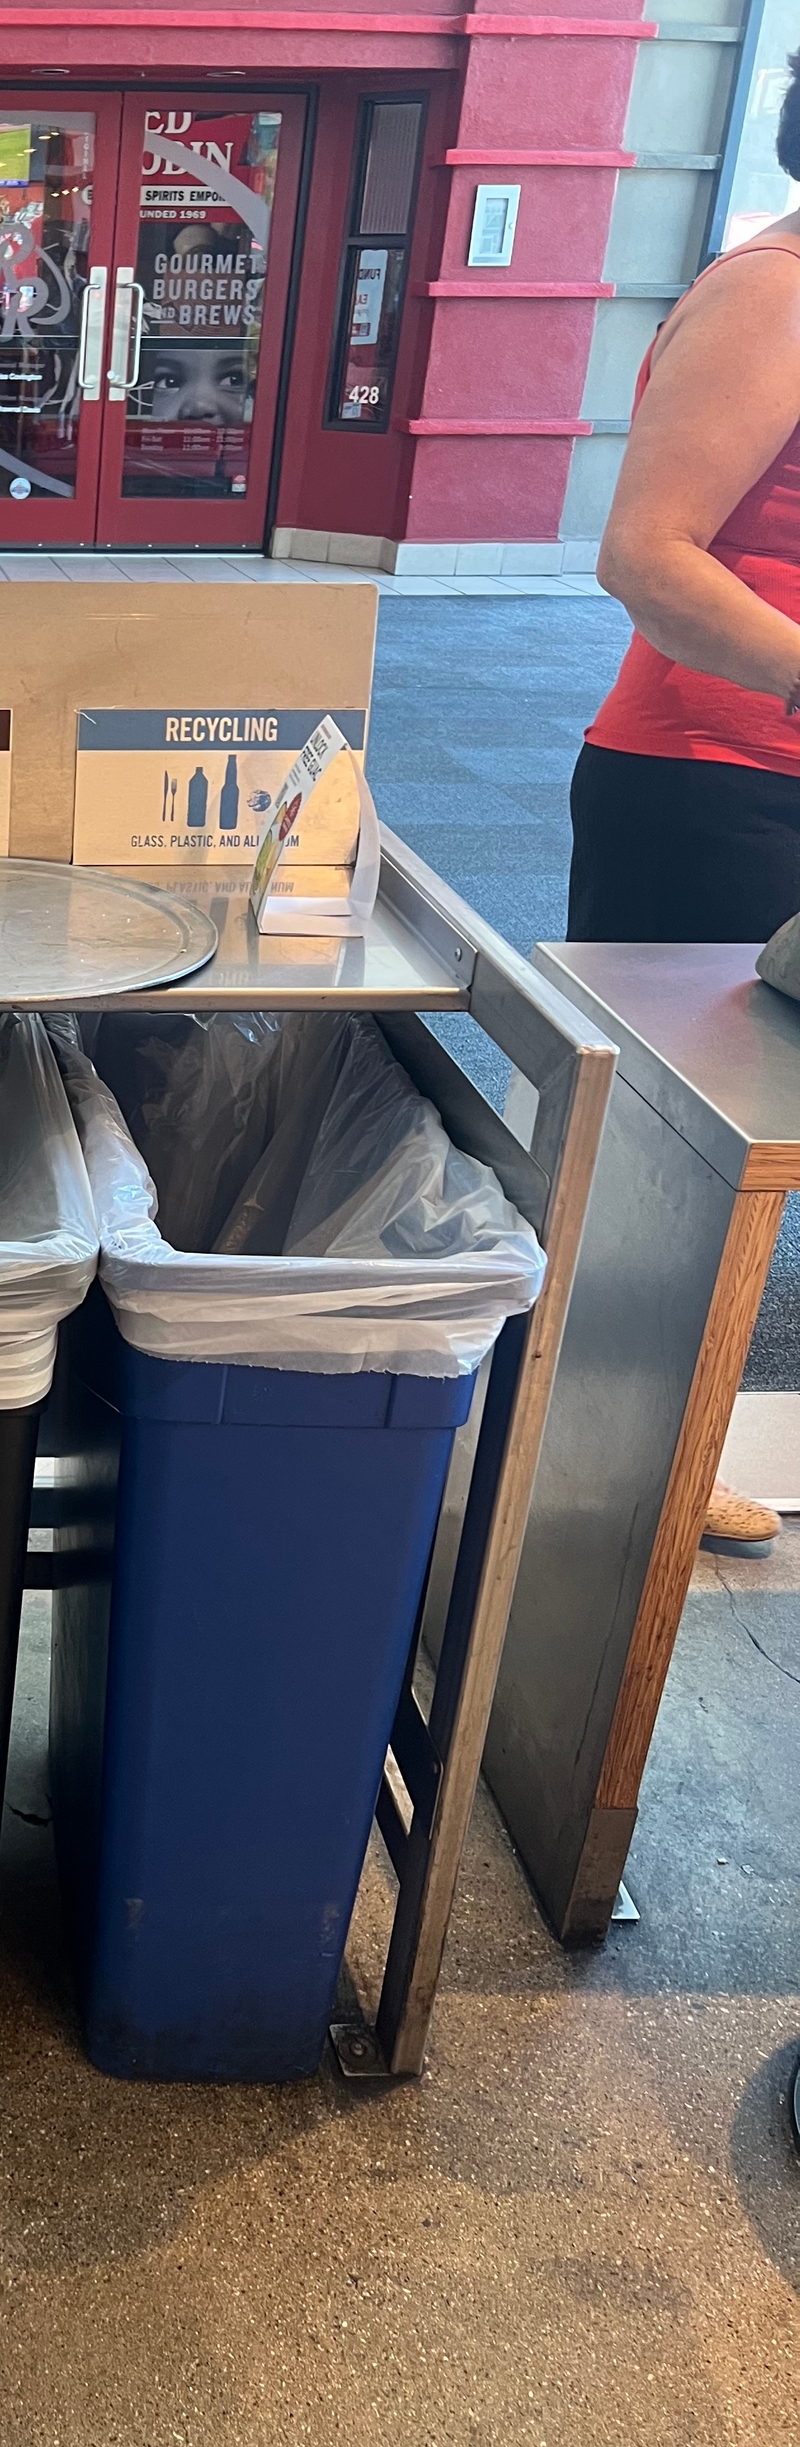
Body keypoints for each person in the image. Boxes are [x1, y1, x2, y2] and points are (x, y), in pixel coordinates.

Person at [573, 49, 800, 1559]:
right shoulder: (774, 292)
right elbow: (648, 555)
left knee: (759, 1151)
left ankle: (659, 1436)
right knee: (689, 1161)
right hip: (710, 783)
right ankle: (628, 1462)